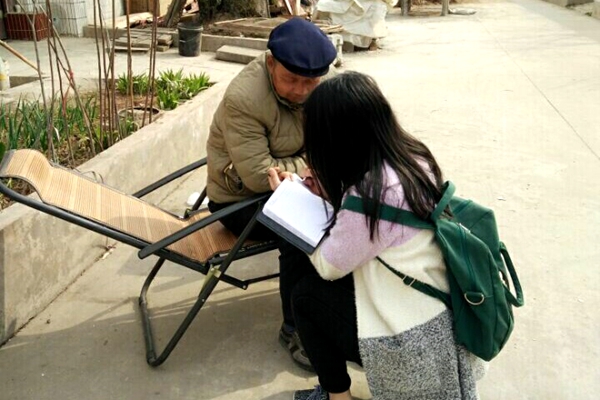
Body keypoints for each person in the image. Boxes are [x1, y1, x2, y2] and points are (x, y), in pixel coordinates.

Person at [267, 71, 486, 400]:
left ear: (335, 140)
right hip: (448, 326)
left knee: (306, 297)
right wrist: (328, 192)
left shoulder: (370, 196)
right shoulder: (413, 156)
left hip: (411, 347)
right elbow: (378, 229)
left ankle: (338, 398)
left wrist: (289, 202)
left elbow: (329, 265)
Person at [205, 17, 338, 372]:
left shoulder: (325, 86)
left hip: (299, 185)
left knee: (354, 209)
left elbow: (341, 142)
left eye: (310, 81)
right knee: (300, 230)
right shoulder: (244, 98)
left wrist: (309, 168)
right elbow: (258, 175)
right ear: (269, 63)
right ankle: (297, 328)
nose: (301, 90)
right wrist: (314, 165)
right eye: (291, 79)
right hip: (238, 200)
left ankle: (342, 306)